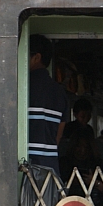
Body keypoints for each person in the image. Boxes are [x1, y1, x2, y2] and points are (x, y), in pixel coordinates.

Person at [27, 35, 69, 176]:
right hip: (51, 168)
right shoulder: (60, 91)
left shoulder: (21, 87)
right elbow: (59, 135)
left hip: (26, 168)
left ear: (36, 57)